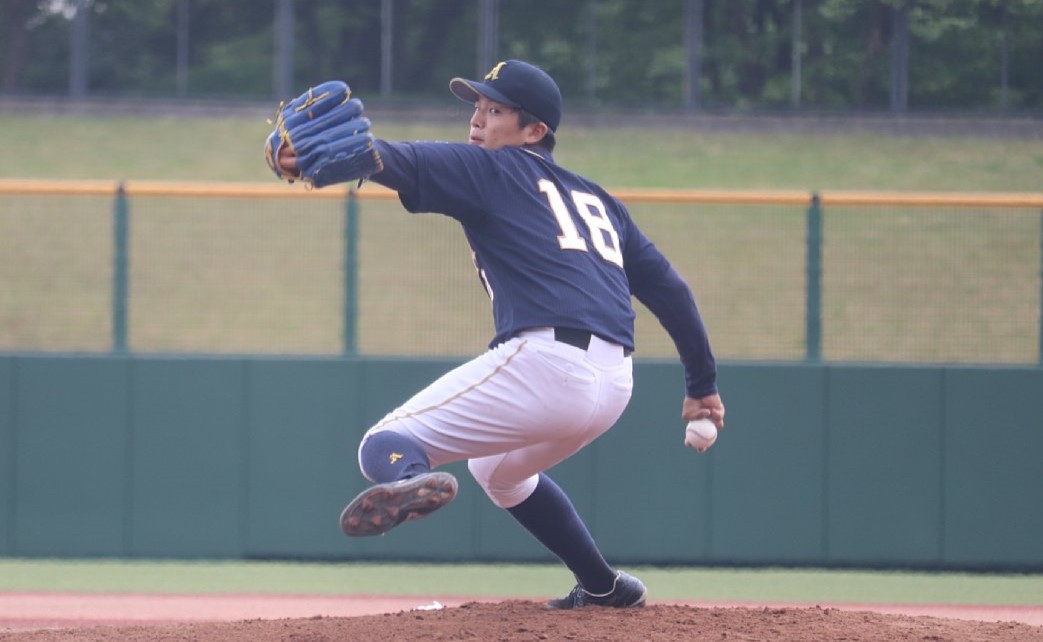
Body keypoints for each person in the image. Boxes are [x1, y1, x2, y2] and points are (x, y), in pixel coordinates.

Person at [276, 59, 725, 609]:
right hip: (614, 385)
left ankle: (407, 479)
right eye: (476, 107)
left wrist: (325, 159)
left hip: (549, 365)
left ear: (534, 131)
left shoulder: (494, 169)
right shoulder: (602, 204)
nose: (477, 120)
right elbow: (671, 291)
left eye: (495, 110)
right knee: (499, 475)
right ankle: (604, 586)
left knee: (385, 444)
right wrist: (702, 387)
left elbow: (395, 159)